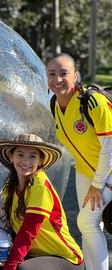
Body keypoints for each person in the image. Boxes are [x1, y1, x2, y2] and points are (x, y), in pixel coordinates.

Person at [46, 53, 112, 270]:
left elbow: (109, 148)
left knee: (85, 221)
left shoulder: (93, 101)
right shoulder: (55, 103)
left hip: (107, 170)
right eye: (52, 74)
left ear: (75, 75)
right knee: (89, 226)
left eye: (63, 73)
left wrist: (98, 184)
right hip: (85, 170)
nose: (57, 80)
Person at [0, 133, 84, 270]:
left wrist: (10, 265)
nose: (25, 161)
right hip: (36, 256)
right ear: (11, 157)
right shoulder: (10, 187)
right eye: (20, 154)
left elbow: (28, 232)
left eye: (32, 156)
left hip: (66, 259)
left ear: (40, 161)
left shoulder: (40, 186)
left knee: (20, 268)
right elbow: (13, 229)